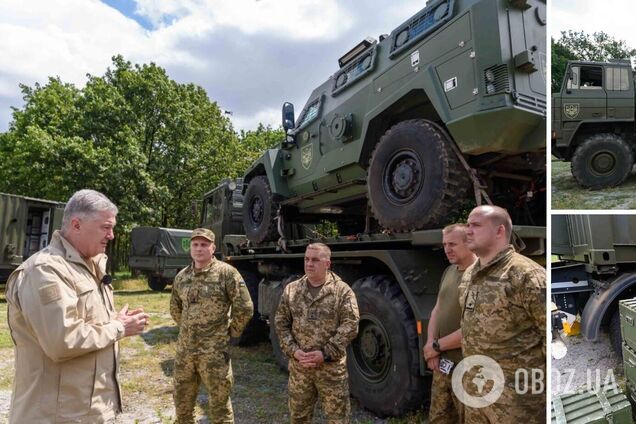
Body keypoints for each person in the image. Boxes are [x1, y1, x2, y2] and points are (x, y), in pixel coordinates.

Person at [6, 189, 149, 423]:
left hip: (87, 411)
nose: (111, 235)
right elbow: (62, 341)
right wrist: (119, 327)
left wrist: (114, 318)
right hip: (55, 416)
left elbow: (85, 320)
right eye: (105, 227)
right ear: (76, 224)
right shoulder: (46, 270)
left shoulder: (89, 265)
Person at [459, 205, 546, 423]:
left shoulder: (526, 275)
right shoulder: (470, 273)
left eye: (476, 225)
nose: (467, 231)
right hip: (476, 391)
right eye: (467, 225)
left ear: (499, 231)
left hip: (515, 402)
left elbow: (550, 338)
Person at [170, 228, 253, 424]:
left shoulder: (226, 273)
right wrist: (189, 329)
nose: (199, 249)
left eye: (204, 245)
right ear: (190, 248)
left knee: (220, 407)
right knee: (182, 404)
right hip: (185, 352)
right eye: (195, 245)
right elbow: (175, 307)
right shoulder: (182, 276)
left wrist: (232, 332)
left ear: (213, 247)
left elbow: (245, 307)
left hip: (214, 353)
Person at [275, 243, 359, 423]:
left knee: (338, 419)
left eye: (315, 260)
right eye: (306, 259)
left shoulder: (342, 291)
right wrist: (293, 351)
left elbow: (350, 325)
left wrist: (325, 353)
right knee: (298, 417)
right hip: (300, 368)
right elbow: (281, 323)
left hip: (331, 371)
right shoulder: (292, 290)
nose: (309, 263)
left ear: (327, 263)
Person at [424, 223, 476, 423]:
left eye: (452, 244)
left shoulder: (480, 276)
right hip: (443, 364)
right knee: (439, 417)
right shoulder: (449, 271)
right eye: (445, 244)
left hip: (467, 369)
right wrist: (430, 345)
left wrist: (436, 347)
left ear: (469, 242)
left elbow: (475, 329)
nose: (447, 249)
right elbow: (437, 309)